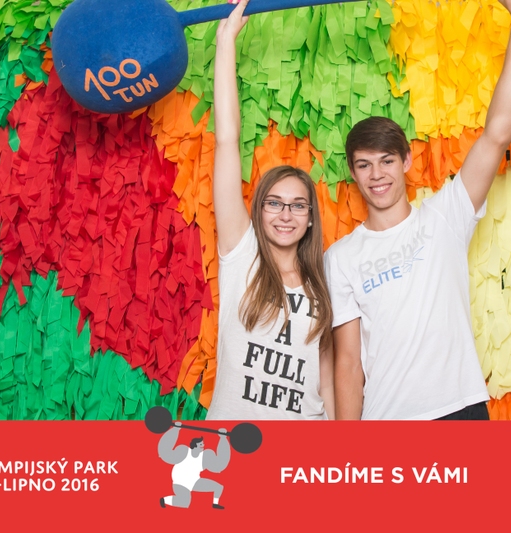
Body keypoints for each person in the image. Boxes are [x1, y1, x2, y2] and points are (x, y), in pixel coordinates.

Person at [325, 0, 511, 420]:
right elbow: (348, 364)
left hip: (460, 410)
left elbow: (497, 134)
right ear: (352, 172)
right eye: (364, 165)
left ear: (406, 161)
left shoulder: (445, 216)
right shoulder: (340, 258)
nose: (376, 175)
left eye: (387, 161)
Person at [206, 0, 334, 420]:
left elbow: (327, 380)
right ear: (259, 211)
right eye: (274, 203)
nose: (285, 214)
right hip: (230, 443)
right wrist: (226, 41)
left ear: (310, 218)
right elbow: (227, 138)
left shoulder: (324, 283)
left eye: (298, 205)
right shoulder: (242, 256)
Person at [158, 423, 230, 509]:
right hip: (181, 481)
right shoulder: (184, 452)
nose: (203, 446)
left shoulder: (204, 457)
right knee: (184, 503)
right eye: (201, 444)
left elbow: (220, 464)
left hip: (194, 481)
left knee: (218, 487)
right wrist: (175, 430)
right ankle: (164, 500)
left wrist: (223, 438)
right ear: (195, 445)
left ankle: (215, 504)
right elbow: (166, 452)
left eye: (203, 444)